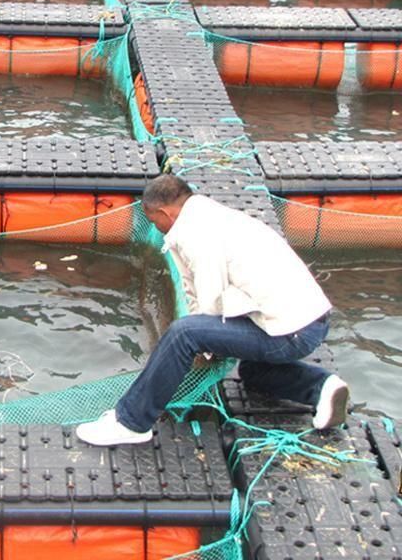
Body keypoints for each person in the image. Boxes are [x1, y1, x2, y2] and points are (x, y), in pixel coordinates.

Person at [76, 174, 349, 446]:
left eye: (153, 220)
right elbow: (192, 289)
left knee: (183, 334)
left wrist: (204, 349)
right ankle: (323, 387)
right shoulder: (209, 215)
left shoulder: (197, 232)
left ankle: (132, 422)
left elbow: (210, 300)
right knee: (253, 373)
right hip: (310, 320)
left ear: (163, 212)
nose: (155, 227)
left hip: (292, 332)